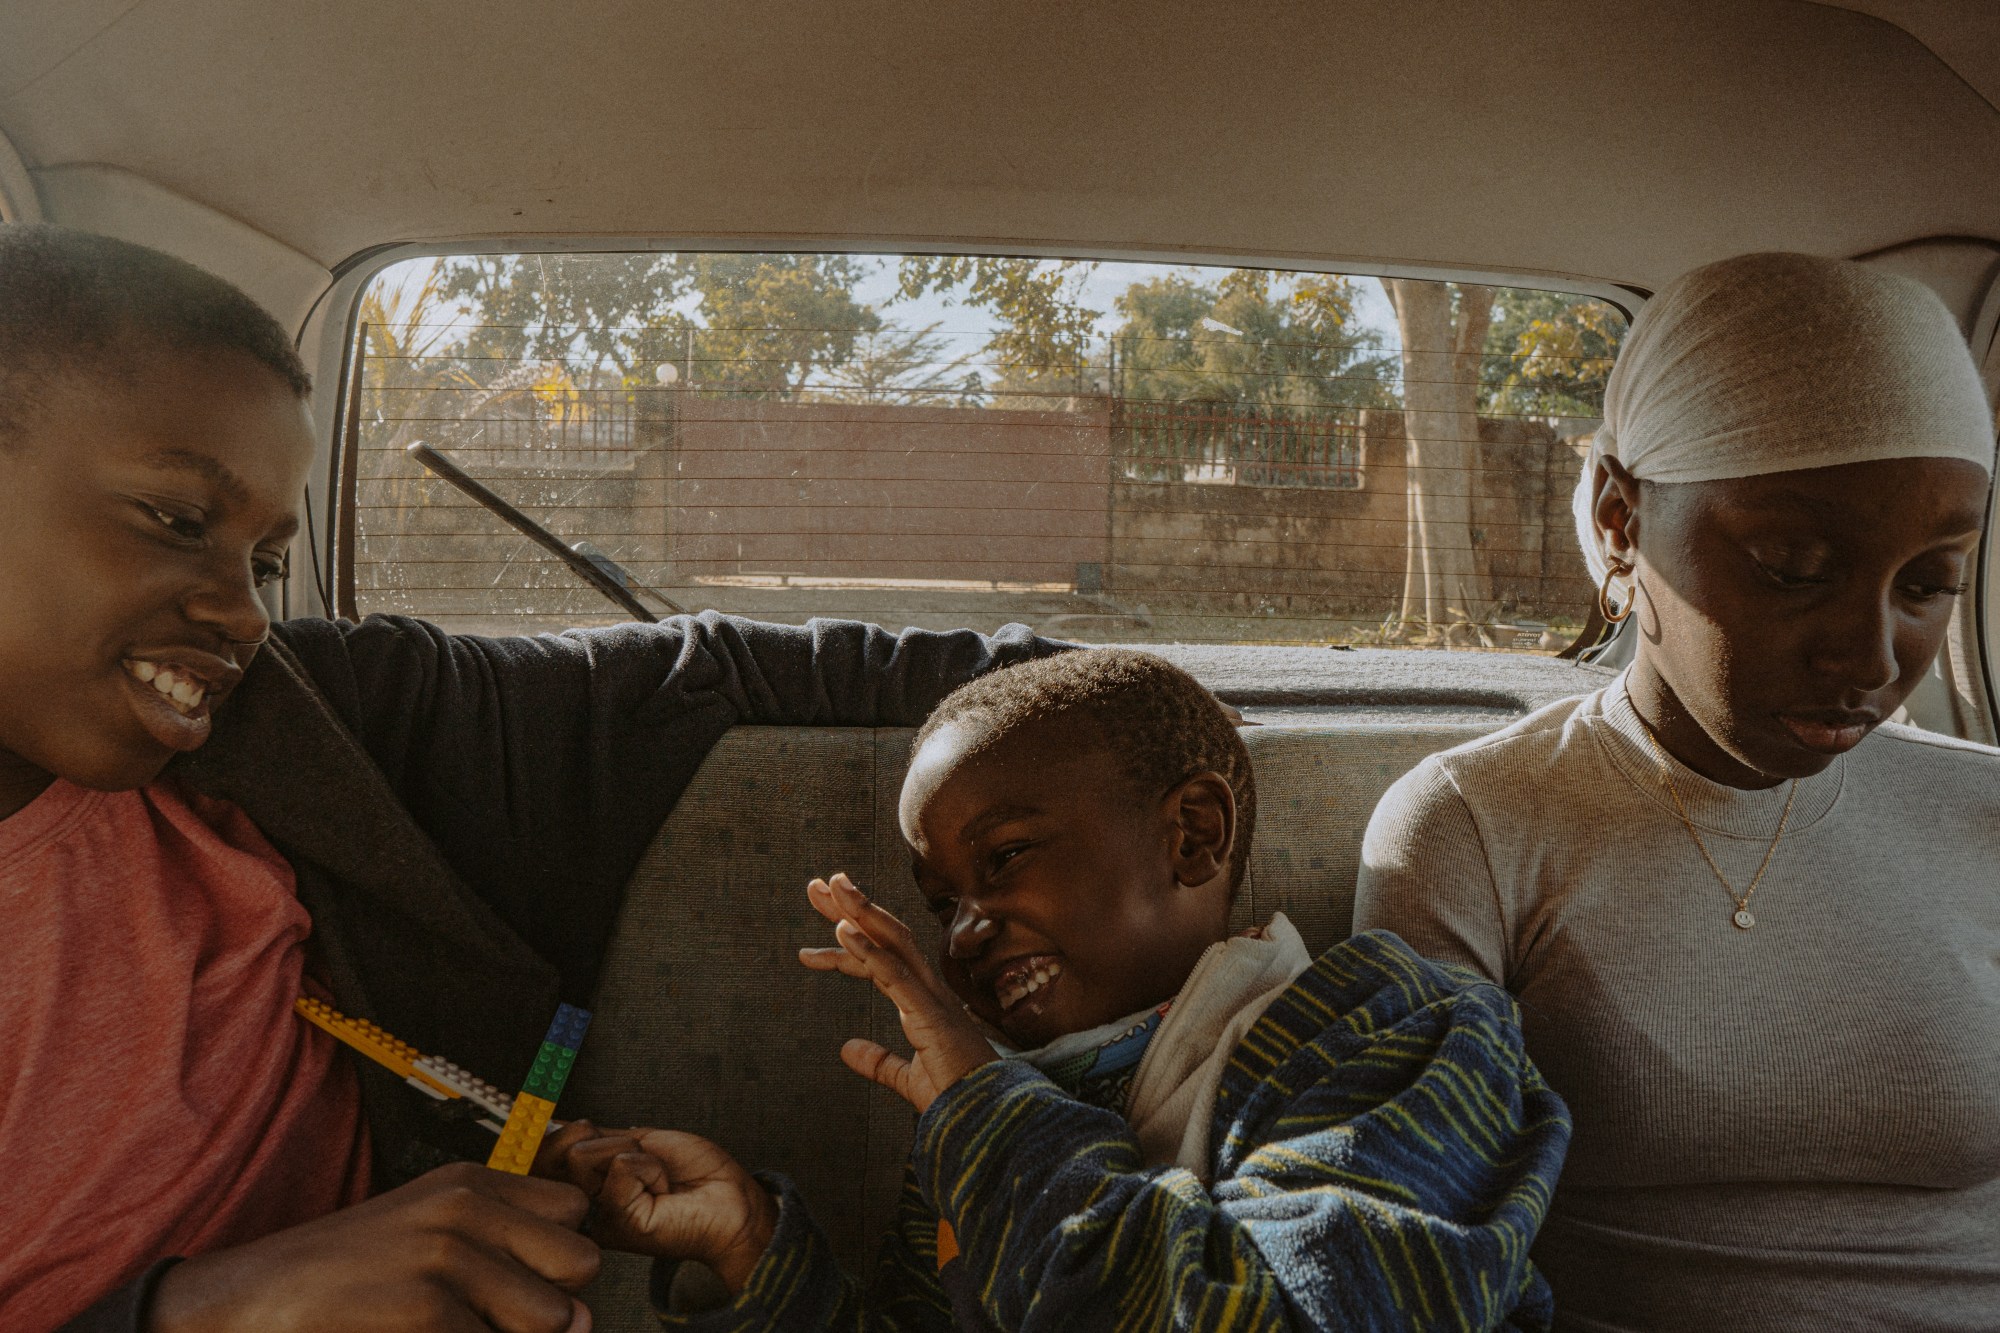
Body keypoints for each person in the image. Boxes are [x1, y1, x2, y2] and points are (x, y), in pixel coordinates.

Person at [0, 223, 1062, 1333]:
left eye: (265, 562)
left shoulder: (300, 723)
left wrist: (1124, 700)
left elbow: (712, 672)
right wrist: (200, 1309)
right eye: (176, 520)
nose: (241, 612)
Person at [542, 649, 1572, 1332]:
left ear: (1192, 835)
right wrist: (751, 1244)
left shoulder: (1402, 1032)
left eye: (1006, 860)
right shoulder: (987, 1120)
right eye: (942, 904)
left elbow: (1274, 1310)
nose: (966, 933)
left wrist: (985, 1114)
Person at [1353, 252, 2000, 1330]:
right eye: (1791, 565)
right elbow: (1414, 1243)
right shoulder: (1474, 828)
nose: (1871, 653)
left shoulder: (1981, 816)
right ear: (1618, 516)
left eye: (1930, 582)